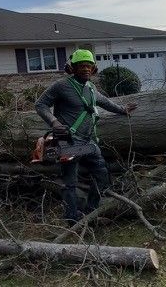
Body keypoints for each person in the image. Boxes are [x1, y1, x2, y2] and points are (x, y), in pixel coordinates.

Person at [35, 49, 136, 224]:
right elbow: (40, 104)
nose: (85, 69)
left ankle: (91, 211)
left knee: (102, 175)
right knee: (70, 183)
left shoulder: (91, 87)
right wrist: (54, 122)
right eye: (81, 66)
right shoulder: (61, 86)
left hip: (89, 142)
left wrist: (122, 110)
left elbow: (105, 102)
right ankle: (72, 218)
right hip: (68, 142)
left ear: (94, 69)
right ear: (71, 68)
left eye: (89, 66)